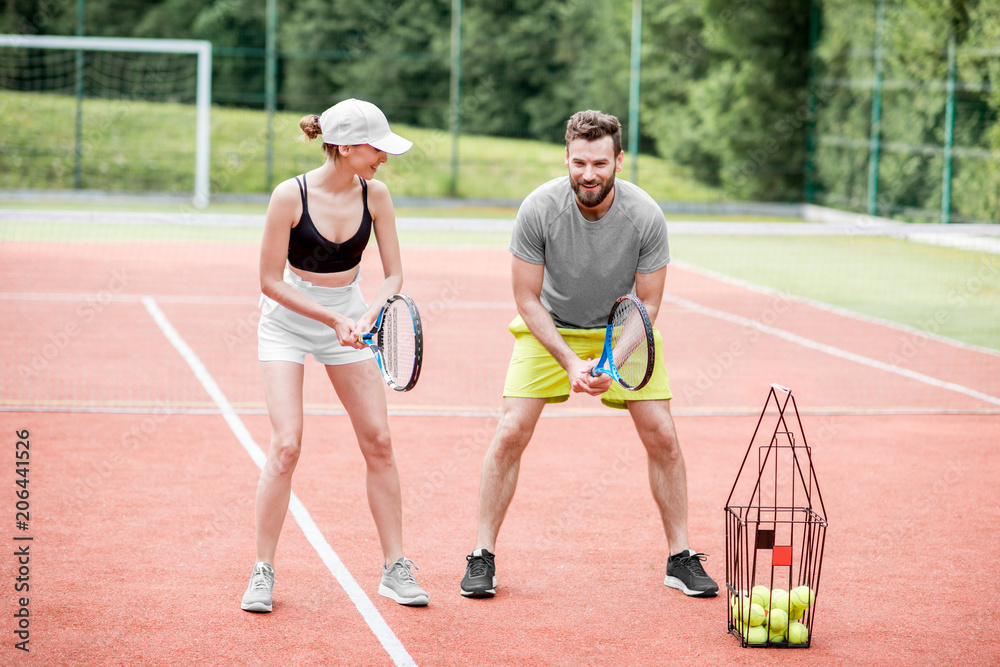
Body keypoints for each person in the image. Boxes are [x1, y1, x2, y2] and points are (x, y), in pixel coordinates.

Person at [459, 110, 719, 599]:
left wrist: (611, 361)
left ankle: (680, 557)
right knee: (511, 429)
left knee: (662, 433)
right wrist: (571, 363)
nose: (589, 174)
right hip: (551, 331)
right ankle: (481, 555)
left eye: (600, 163)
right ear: (567, 158)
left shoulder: (645, 215)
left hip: (623, 332)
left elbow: (650, 303)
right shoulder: (538, 208)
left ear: (619, 160)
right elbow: (526, 299)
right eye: (579, 163)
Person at [242, 98, 428, 612]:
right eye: (377, 148)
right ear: (345, 146)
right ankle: (263, 570)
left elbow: (392, 274)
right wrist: (332, 320)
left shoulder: (377, 195)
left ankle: (395, 567)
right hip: (287, 322)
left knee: (379, 442)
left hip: (350, 314)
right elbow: (268, 281)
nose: (384, 158)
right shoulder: (289, 195)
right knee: (286, 446)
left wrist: (367, 314)